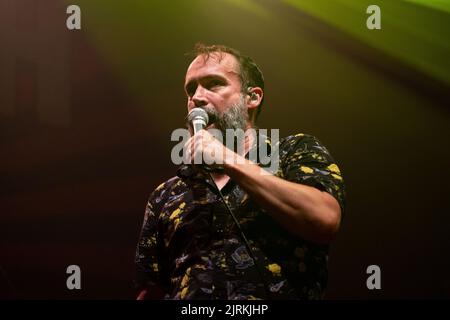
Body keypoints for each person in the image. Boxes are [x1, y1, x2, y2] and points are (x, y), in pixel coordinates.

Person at [134, 43, 345, 300]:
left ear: (252, 97)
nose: (197, 98)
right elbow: (151, 288)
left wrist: (227, 159)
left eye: (213, 84)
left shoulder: (294, 152)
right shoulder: (167, 195)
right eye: (191, 89)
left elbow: (324, 219)